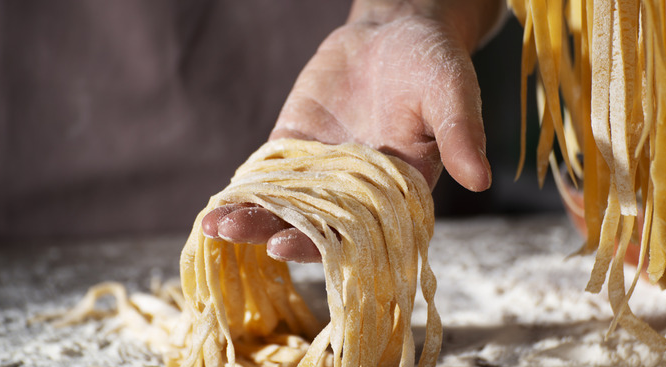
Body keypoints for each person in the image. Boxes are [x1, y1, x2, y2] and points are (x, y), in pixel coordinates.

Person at [202, 0, 506, 263]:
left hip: (440, 213)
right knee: (222, 235)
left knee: (388, 233)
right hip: (164, 170)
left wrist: (403, 10)